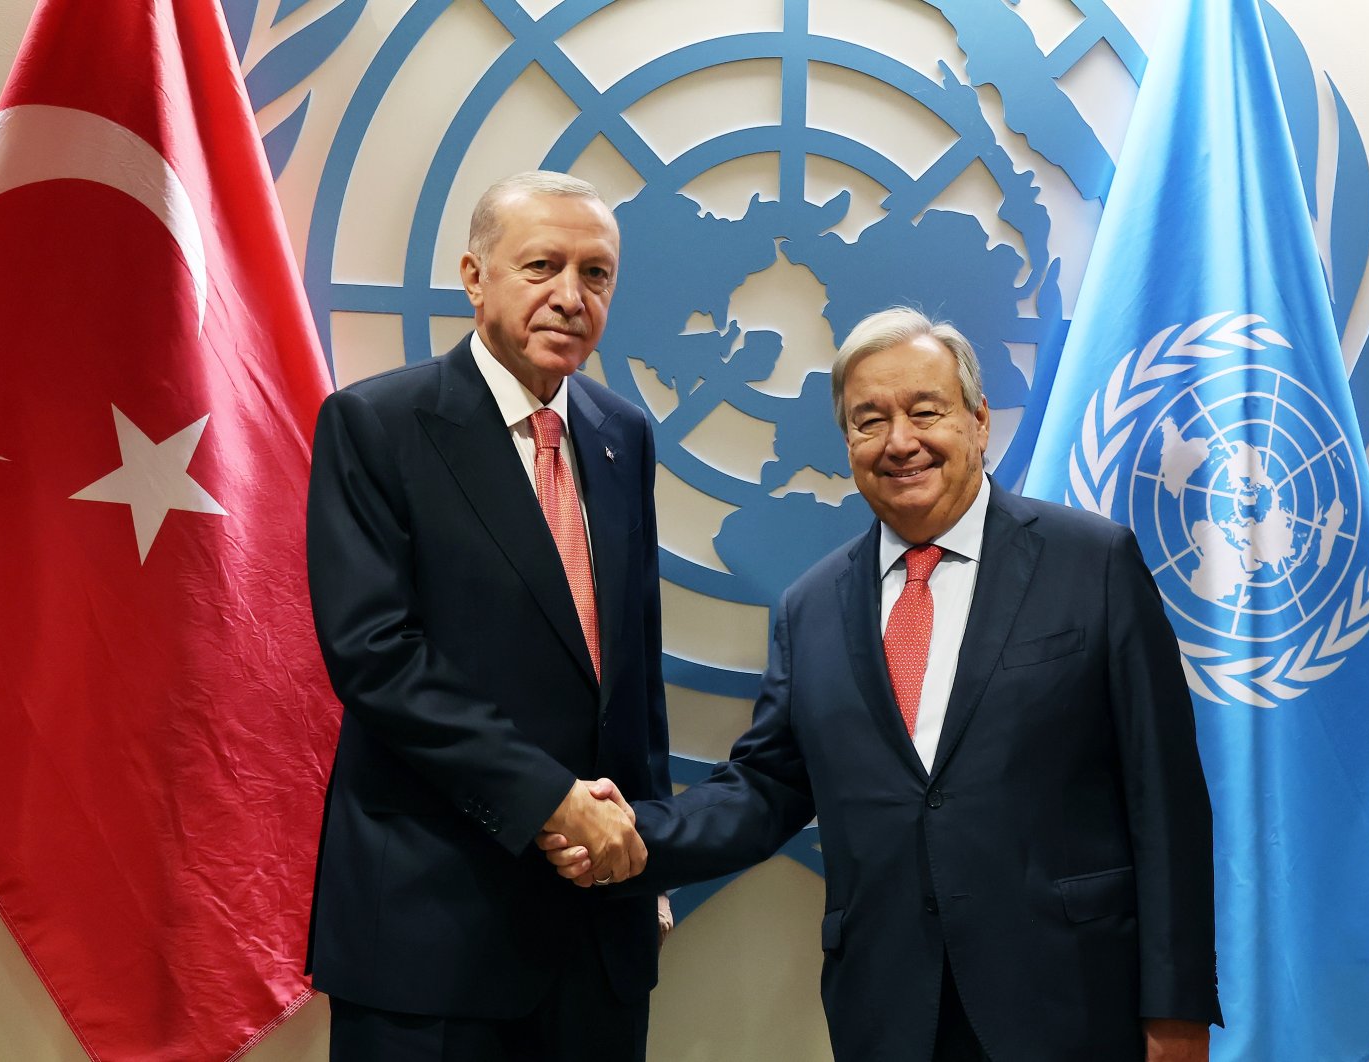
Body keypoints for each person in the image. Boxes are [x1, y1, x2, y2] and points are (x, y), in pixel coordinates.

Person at [544, 308, 1221, 1061]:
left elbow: (1167, 804)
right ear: (848, 444)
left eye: (925, 411)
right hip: (891, 1012)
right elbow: (765, 789)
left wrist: (1177, 1010)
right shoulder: (812, 607)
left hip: (1072, 1004)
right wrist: (632, 837)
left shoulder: (1091, 564)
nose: (901, 442)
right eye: (870, 421)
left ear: (978, 420)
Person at [304, 171, 670, 1061]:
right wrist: (550, 800)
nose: (570, 296)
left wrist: (649, 852)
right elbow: (377, 659)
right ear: (475, 277)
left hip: (595, 934)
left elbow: (633, 675)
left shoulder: (624, 434)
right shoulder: (376, 425)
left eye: (596, 274)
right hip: (433, 934)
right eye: (542, 265)